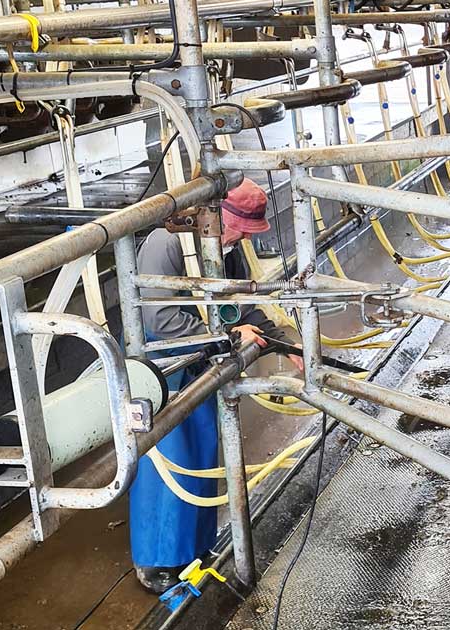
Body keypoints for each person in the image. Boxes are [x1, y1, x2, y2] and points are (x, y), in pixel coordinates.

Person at [129, 178, 302, 592]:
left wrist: (284, 339)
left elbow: (237, 305)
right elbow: (161, 322)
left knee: (204, 452)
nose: (243, 238)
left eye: (249, 230)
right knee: (167, 457)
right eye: (239, 227)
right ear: (213, 214)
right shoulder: (165, 244)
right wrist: (228, 337)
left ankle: (195, 547)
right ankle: (156, 561)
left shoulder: (227, 249)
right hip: (161, 367)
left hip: (202, 362)